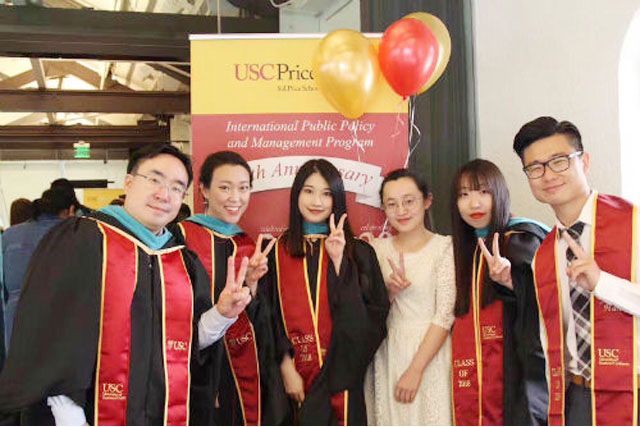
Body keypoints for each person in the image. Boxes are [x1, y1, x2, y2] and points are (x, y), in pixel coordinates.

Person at [0, 144, 253, 425]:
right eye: (155, 180)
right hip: (85, 416)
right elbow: (51, 336)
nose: (164, 194)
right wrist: (70, 418)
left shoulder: (182, 261)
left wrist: (221, 314)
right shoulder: (83, 240)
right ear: (129, 182)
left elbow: (187, 346)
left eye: (177, 187)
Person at [513, 116, 640, 426]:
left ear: (584, 161)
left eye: (559, 161)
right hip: (578, 398)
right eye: (535, 168)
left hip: (634, 392)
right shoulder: (544, 254)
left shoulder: (634, 223)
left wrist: (602, 283)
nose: (548, 175)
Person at [268, 158, 389, 425]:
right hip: (293, 383)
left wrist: (338, 262)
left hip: (344, 382)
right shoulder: (276, 253)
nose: (317, 202)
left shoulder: (359, 252)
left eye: (326, 193)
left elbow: (373, 319)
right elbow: (270, 317)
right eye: (308, 191)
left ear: (337, 198)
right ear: (296, 195)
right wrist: (286, 369)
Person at [177, 151, 287, 425]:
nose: (235, 198)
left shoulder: (249, 246)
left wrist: (253, 284)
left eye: (243, 188)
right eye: (225, 188)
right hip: (195, 365)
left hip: (243, 370)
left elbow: (263, 324)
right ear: (204, 189)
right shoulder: (180, 237)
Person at [450, 159, 549, 425]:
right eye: (464, 195)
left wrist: (512, 283)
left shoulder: (521, 239)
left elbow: (548, 305)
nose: (474, 204)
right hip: (478, 375)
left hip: (519, 374)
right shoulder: (465, 248)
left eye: (484, 192)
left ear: (500, 194)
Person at [364, 168, 456, 426]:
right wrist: (390, 293)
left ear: (427, 201)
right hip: (388, 352)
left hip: (430, 353)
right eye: (392, 204)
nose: (401, 211)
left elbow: (444, 315)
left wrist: (415, 370)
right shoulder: (375, 250)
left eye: (409, 201)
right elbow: (367, 312)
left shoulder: (445, 247)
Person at [2, 188, 79, 349]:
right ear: (69, 210)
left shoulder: (9, 235)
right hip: (58, 314)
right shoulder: (71, 234)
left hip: (15, 314)